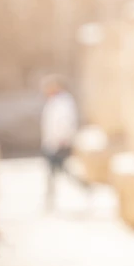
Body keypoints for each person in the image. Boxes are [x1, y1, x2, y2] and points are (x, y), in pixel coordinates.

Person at [40, 74, 88, 210]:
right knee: (55, 171)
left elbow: (65, 123)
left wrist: (63, 140)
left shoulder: (64, 101)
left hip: (59, 143)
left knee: (61, 170)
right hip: (51, 143)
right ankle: (50, 199)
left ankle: (85, 186)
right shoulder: (54, 101)